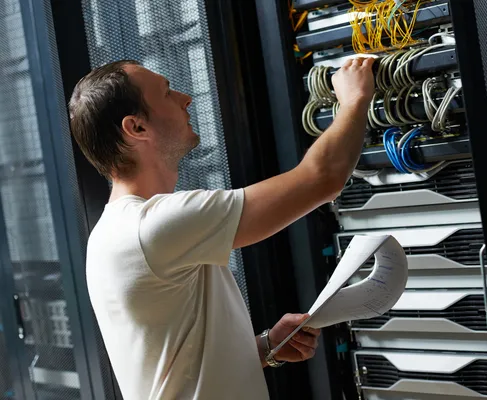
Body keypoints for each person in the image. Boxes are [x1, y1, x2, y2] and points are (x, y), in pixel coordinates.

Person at [68, 56, 375, 399]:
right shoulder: (154, 225)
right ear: (137, 128)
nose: (186, 98)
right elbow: (323, 178)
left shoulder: (111, 233)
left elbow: (172, 366)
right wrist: (355, 99)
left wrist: (264, 346)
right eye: (167, 92)